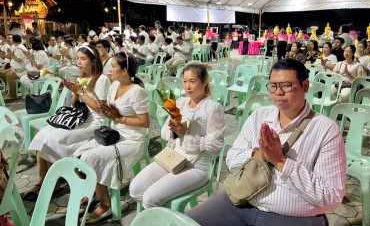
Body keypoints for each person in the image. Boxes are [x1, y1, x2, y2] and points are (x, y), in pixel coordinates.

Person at [186, 58, 346, 226]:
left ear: (305, 86)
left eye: (286, 85)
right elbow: (232, 160)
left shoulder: (326, 130)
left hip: (290, 216)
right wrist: (260, 154)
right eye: (273, 86)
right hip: (241, 201)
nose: (278, 92)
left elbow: (331, 197)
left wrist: (281, 162)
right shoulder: (259, 116)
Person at [130, 63, 225, 209]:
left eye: (192, 81)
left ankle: (164, 218)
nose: (187, 86)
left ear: (205, 81)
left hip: (196, 166)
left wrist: (186, 134)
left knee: (150, 198)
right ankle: (164, 215)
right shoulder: (181, 102)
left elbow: (216, 147)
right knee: (135, 189)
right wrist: (173, 131)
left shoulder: (212, 108)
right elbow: (164, 133)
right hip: (173, 158)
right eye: (185, 81)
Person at [24, 45, 111, 202]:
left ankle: (69, 176)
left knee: (54, 139)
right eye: (77, 58)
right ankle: (44, 179)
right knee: (41, 136)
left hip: (93, 122)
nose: (79, 62)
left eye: (83, 59)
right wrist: (74, 92)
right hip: (78, 117)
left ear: (93, 61)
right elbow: (73, 104)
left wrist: (80, 92)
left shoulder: (102, 79)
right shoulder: (81, 77)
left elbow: (100, 109)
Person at [73, 52, 149, 223]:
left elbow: (144, 122)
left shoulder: (137, 92)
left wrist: (118, 118)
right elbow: (111, 110)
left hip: (132, 140)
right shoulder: (114, 86)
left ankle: (105, 204)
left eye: (113, 66)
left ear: (124, 70)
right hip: (114, 134)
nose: (109, 68)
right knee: (79, 155)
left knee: (91, 158)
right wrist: (108, 110)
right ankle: (94, 189)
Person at [1, 35, 27, 99]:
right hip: (17, 68)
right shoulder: (17, 47)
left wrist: (11, 54)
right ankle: (10, 93)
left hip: (22, 69)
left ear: (13, 40)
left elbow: (19, 60)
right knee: (8, 74)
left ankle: (13, 95)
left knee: (9, 75)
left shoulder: (20, 48)